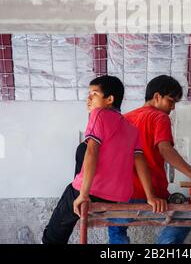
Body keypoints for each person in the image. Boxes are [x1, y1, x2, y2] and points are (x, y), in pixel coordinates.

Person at [42, 75, 166, 244]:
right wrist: (150, 196)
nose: (88, 98)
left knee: (55, 232)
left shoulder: (99, 114)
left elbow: (92, 151)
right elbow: (140, 161)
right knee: (82, 150)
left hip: (92, 191)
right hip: (115, 196)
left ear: (109, 99)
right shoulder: (131, 128)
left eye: (94, 94)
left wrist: (84, 194)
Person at [103, 75, 191, 244]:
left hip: (119, 199)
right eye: (171, 101)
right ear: (156, 97)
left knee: (115, 228)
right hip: (152, 198)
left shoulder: (123, 118)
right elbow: (165, 150)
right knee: (185, 214)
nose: (173, 107)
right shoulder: (159, 117)